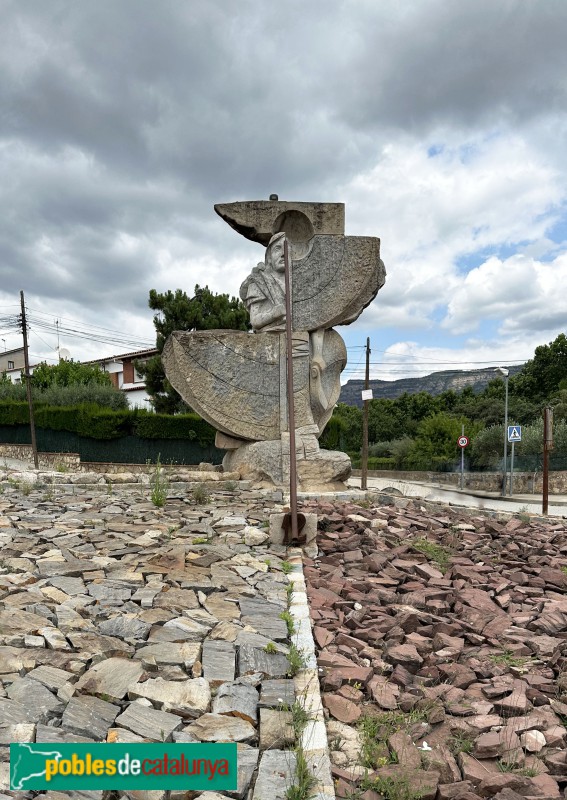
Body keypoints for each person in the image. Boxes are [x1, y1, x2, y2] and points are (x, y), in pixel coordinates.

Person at [240, 232, 287, 331]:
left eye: (287, 247)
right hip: (271, 337)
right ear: (269, 258)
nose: (283, 253)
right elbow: (255, 321)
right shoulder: (258, 282)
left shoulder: (301, 284)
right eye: (277, 249)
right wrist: (274, 313)